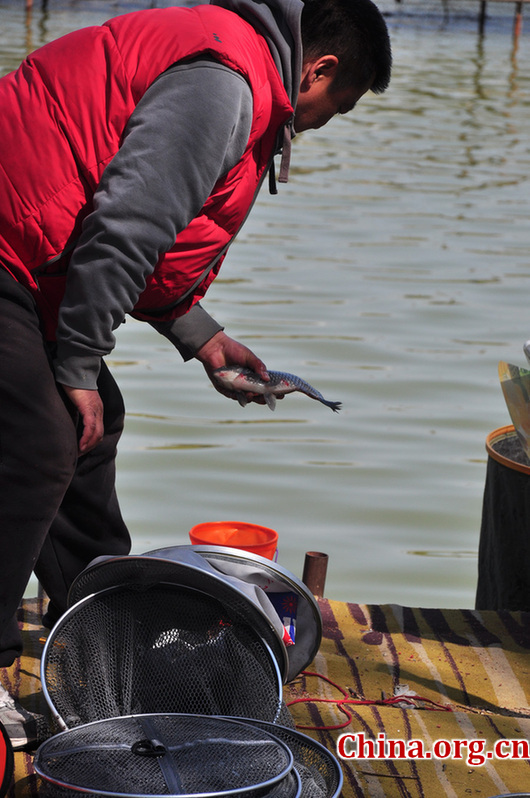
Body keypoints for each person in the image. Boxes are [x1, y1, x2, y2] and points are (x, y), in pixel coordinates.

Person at [0, 0, 391, 748]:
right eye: (326, 113)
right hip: (7, 245)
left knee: (91, 427)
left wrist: (203, 337)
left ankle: (104, 651)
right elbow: (123, 227)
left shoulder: (238, 64)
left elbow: (137, 238)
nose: (309, 130)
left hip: (30, 253)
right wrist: (77, 362)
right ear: (321, 67)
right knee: (42, 438)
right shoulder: (227, 85)